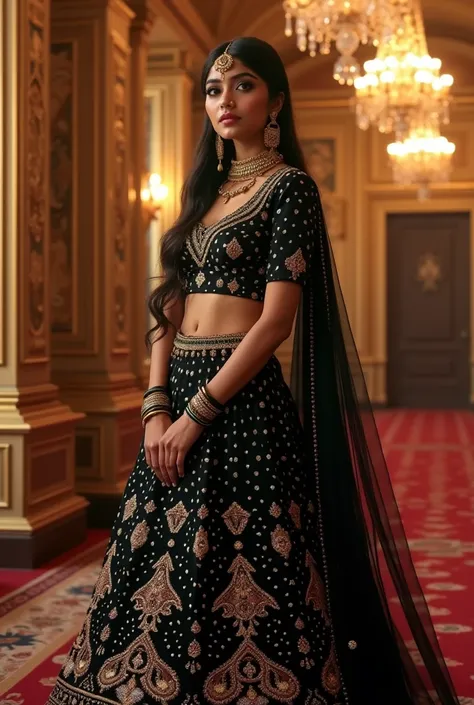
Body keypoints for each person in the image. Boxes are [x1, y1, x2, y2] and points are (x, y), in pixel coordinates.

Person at [47, 37, 460, 705]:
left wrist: (195, 417)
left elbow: (274, 323)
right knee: (156, 559)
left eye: (241, 85)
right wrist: (157, 408)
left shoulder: (288, 188)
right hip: (175, 392)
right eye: (213, 89)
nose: (224, 100)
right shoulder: (198, 197)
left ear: (275, 100)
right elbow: (167, 308)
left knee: (250, 559)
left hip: (240, 405)